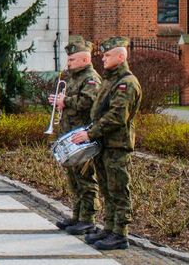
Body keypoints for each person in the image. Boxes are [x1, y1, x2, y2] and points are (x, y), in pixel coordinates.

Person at [70, 36, 142, 252]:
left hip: (117, 145)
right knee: (106, 188)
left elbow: (117, 116)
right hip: (104, 144)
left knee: (118, 189)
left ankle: (120, 234)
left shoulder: (127, 83)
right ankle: (109, 228)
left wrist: (90, 133)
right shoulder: (110, 80)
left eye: (108, 55)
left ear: (120, 57)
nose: (103, 59)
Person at [50, 35, 101, 236]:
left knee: (85, 179)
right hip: (70, 135)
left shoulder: (90, 78)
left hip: (82, 137)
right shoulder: (74, 77)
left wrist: (66, 101)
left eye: (72, 60)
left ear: (85, 60)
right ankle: (77, 216)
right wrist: (60, 101)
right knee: (74, 180)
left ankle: (88, 219)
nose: (68, 63)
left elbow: (88, 101)